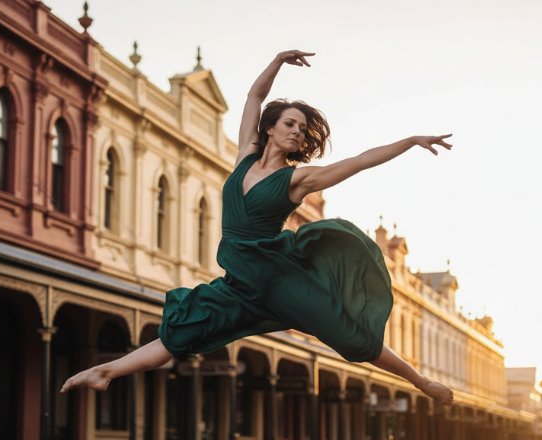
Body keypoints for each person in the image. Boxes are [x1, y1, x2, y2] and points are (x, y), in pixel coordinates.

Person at [61, 49, 454, 407]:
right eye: (290, 123)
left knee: (351, 337)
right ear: (271, 128)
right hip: (240, 284)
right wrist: (279, 60)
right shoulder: (245, 156)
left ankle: (422, 383)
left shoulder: (298, 180)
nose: (297, 131)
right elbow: (253, 97)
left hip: (280, 281)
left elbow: (360, 160)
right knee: (183, 328)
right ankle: (105, 372)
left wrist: (410, 140)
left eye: (301, 128)